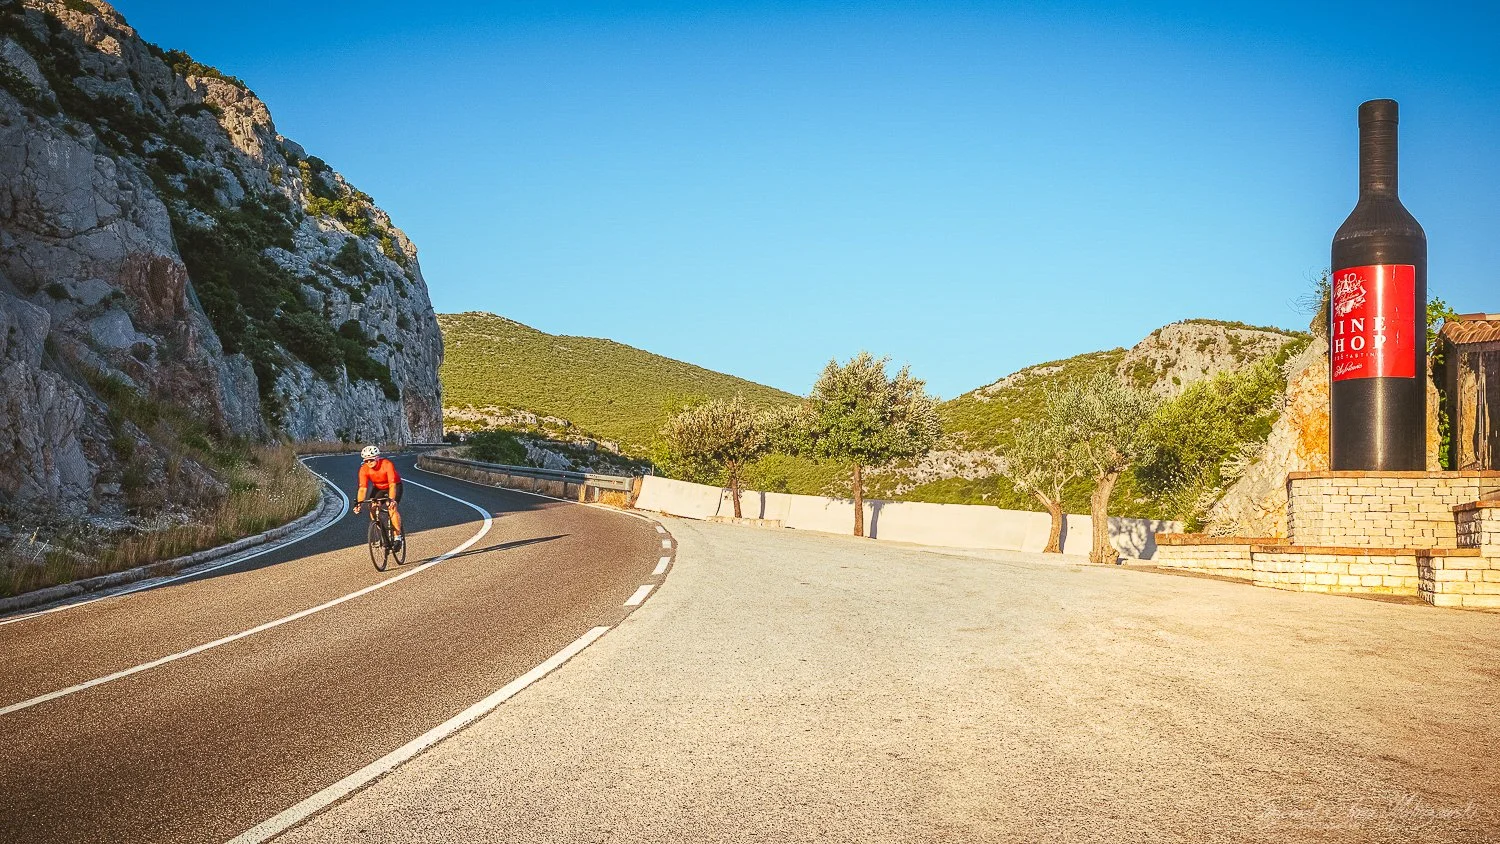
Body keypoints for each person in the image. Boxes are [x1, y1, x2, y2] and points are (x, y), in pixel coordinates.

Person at [353, 445, 404, 546]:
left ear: (377, 458)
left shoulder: (387, 464)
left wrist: (391, 499)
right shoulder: (364, 469)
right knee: (372, 506)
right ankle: (381, 530)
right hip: (379, 488)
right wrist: (358, 504)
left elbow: (392, 485)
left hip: (394, 486)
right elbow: (363, 488)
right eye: (366, 460)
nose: (369, 463)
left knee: (391, 507)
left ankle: (398, 537)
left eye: (371, 460)